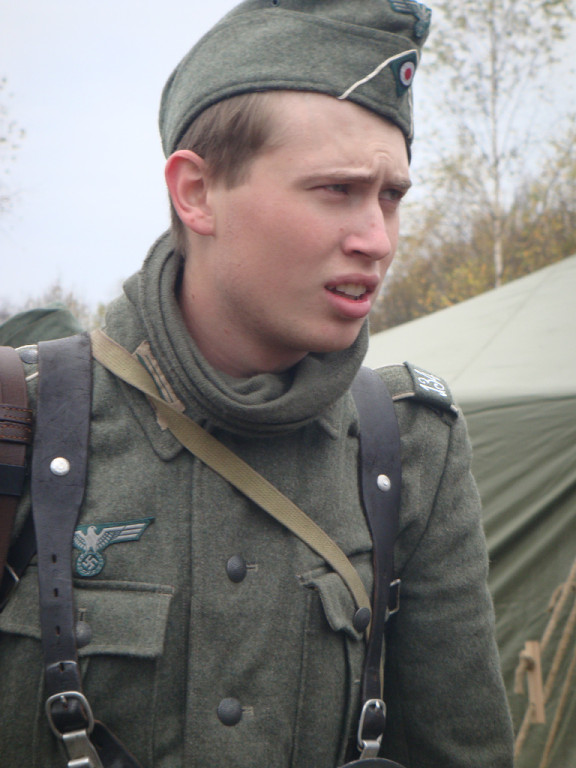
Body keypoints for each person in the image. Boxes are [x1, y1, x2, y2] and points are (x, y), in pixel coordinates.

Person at [0, 1, 514, 766]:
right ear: (196, 192)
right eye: (335, 189)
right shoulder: (23, 420)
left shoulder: (411, 450)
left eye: (391, 196)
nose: (377, 239)